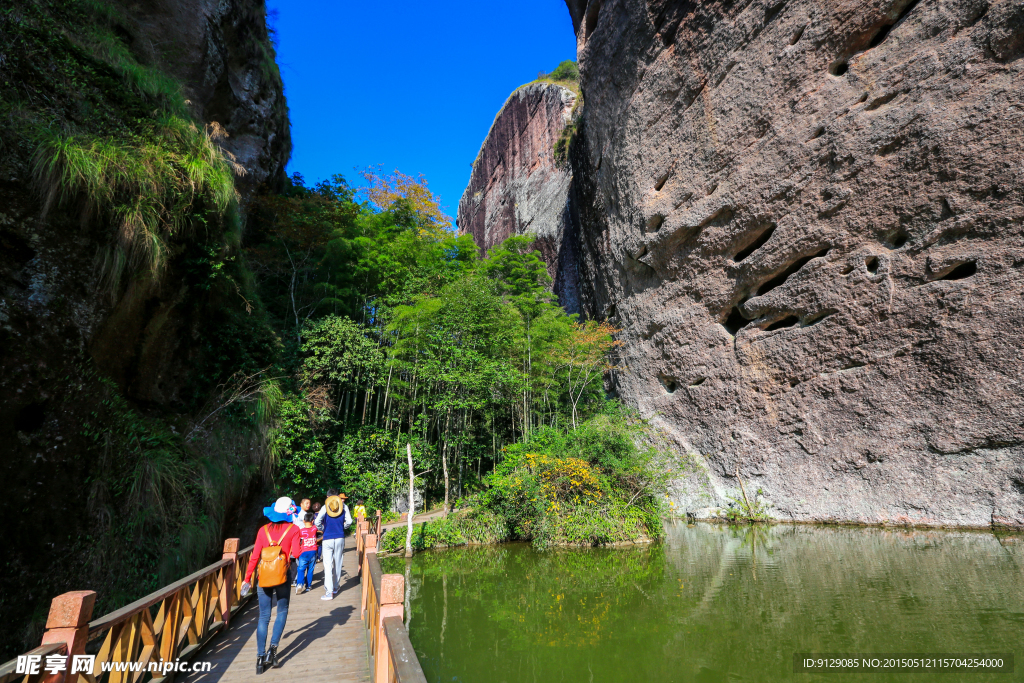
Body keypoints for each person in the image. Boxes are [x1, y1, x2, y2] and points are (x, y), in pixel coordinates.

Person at [241, 497, 301, 674]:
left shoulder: (262, 531)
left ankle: (259, 660)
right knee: (282, 611)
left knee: (263, 617)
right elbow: (296, 553)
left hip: (263, 577)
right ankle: (272, 651)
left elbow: (254, 556)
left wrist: (247, 578)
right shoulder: (294, 529)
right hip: (283, 576)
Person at [315, 490, 352, 601]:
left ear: (327, 496)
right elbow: (349, 521)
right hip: (340, 537)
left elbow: (317, 522)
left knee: (327, 565)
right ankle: (336, 587)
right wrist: (342, 527)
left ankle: (329, 592)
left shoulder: (324, 507)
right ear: (337, 496)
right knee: (338, 563)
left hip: (327, 538)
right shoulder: (343, 506)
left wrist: (323, 529)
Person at [295, 512, 318, 594]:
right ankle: (308, 586)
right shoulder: (315, 528)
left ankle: (299, 584)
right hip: (313, 551)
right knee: (310, 569)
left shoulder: (300, 531)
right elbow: (321, 529)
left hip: (303, 552)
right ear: (312, 521)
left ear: (304, 521)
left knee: (301, 569)